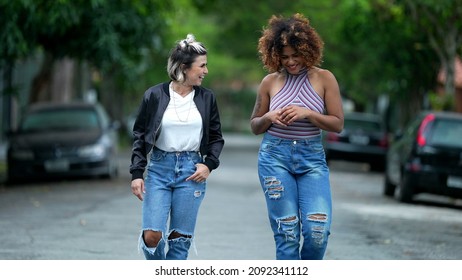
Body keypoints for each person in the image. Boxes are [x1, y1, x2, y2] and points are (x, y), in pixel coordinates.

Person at [250, 13, 344, 260]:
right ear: (275, 56)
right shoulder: (269, 82)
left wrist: (308, 113)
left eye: (296, 55)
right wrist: (269, 117)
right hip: (274, 158)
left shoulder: (325, 78)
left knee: (317, 231)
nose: (291, 62)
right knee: (287, 232)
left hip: (311, 158)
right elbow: (255, 125)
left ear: (307, 50)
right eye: (284, 57)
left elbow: (337, 124)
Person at [130, 34, 224, 260]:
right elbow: (140, 135)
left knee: (179, 240)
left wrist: (208, 165)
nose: (206, 71)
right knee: (152, 235)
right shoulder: (154, 95)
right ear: (184, 67)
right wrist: (136, 172)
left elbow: (216, 138)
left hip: (192, 171)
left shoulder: (207, 98)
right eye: (202, 66)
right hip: (159, 169)